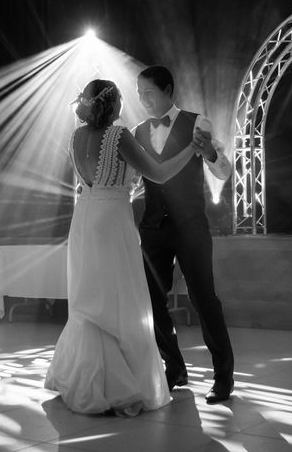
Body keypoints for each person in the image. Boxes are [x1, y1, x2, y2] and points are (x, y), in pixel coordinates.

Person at [44, 79, 196, 417]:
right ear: (113, 104)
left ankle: (82, 381)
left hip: (84, 218)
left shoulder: (75, 137)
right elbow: (157, 174)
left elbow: (91, 180)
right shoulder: (117, 135)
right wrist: (191, 150)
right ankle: (120, 386)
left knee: (89, 299)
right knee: (120, 299)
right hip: (112, 219)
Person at [133, 65, 235, 404]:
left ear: (168, 90)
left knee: (204, 298)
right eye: (139, 94)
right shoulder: (137, 132)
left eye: (148, 92)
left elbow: (223, 170)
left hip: (190, 225)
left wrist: (208, 153)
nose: (143, 99)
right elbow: (139, 181)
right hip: (152, 228)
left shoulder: (197, 122)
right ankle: (174, 367)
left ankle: (223, 377)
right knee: (151, 300)